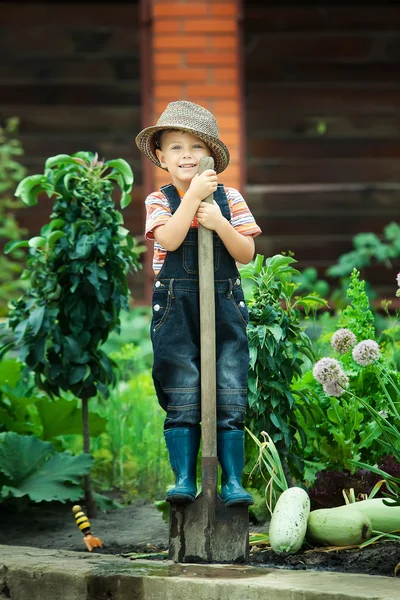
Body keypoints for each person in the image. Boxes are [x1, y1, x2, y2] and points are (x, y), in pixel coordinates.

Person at [135, 100, 261, 506]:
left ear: (211, 156)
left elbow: (246, 254)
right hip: (175, 309)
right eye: (175, 147)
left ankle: (233, 482)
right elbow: (169, 240)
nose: (186, 154)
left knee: (229, 387)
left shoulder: (232, 198)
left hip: (224, 304)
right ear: (160, 156)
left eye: (195, 146)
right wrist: (192, 201)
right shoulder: (159, 201)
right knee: (182, 388)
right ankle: (185, 478)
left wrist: (218, 220)